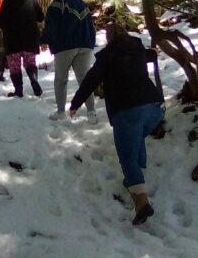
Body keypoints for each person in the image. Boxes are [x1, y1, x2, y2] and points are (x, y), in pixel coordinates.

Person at [69, 24, 164, 226]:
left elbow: (90, 81)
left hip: (127, 110)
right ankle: (138, 176)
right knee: (137, 139)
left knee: (127, 157)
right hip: (154, 108)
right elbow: (151, 56)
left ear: (109, 39)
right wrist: (153, 52)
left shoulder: (108, 56)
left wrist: (75, 104)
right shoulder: (138, 49)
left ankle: (141, 202)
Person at [41, 0, 97, 123]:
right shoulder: (81, 3)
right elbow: (91, 27)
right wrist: (90, 43)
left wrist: (44, 40)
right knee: (85, 81)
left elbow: (51, 25)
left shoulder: (58, 4)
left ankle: (61, 112)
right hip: (85, 45)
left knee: (61, 79)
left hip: (65, 46)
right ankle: (91, 113)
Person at [0, 0, 44, 98]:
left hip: (12, 41)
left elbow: (1, 22)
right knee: (30, 63)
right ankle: (33, 79)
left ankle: (18, 90)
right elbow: (40, 17)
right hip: (30, 39)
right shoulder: (31, 0)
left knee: (15, 66)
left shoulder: (7, 2)